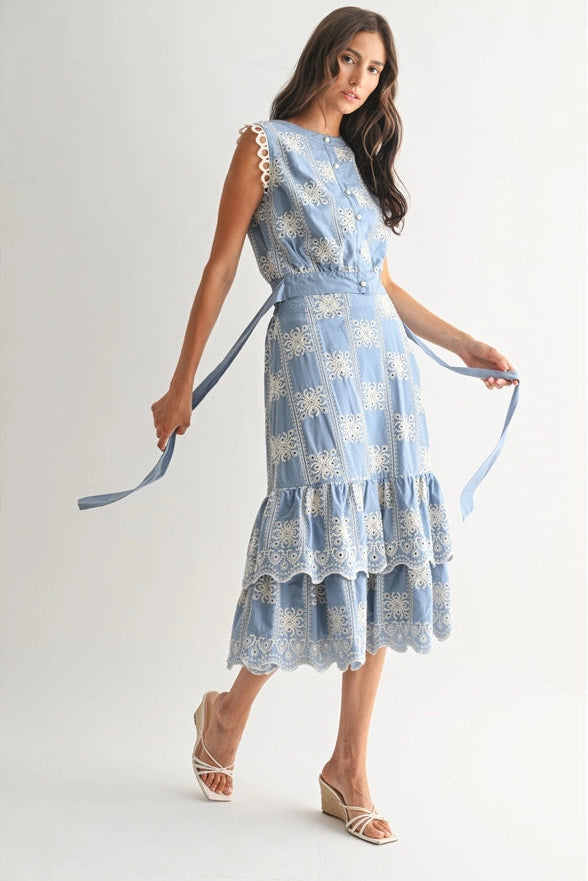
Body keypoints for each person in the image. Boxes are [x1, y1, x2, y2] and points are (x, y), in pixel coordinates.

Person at [134, 7, 518, 845]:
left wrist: (465, 343)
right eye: (348, 60)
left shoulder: (357, 160)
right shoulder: (263, 146)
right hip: (308, 358)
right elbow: (220, 267)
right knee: (315, 537)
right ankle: (228, 710)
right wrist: (180, 385)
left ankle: (348, 764)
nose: (357, 80)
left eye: (373, 70)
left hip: (384, 369)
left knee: (377, 538)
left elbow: (383, 286)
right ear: (322, 57)